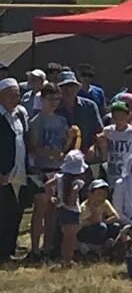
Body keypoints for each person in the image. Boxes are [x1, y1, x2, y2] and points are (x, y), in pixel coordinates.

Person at [27, 83, 77, 260]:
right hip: (40, 169)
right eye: (50, 99)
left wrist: (69, 140)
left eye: (57, 99)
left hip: (57, 169)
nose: (54, 102)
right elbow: (33, 147)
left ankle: (47, 247)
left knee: (52, 211)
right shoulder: (35, 121)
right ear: (42, 99)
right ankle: (34, 248)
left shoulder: (61, 120)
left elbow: (63, 148)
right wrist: (49, 153)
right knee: (40, 207)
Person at [0, 77, 28, 263]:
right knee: (4, 212)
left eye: (17, 94)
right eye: (11, 95)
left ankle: (9, 248)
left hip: (19, 171)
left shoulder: (19, 114)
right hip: (3, 173)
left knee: (15, 212)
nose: (15, 98)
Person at [54, 149, 88, 267]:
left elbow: (48, 185)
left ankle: (65, 259)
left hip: (61, 210)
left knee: (65, 237)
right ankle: (68, 260)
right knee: (71, 238)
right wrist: (71, 201)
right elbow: (74, 191)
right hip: (72, 211)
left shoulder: (59, 177)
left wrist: (52, 198)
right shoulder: (77, 181)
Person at [57, 70, 103, 154]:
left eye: (71, 86)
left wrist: (93, 147)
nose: (68, 90)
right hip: (60, 158)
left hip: (85, 156)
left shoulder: (90, 106)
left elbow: (99, 132)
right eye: (63, 86)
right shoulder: (54, 109)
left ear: (78, 88)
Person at [95, 99, 132, 187]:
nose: (118, 117)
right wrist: (102, 143)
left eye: (121, 114)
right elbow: (104, 156)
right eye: (115, 114)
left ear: (128, 115)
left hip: (128, 174)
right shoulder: (107, 131)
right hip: (112, 172)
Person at [77, 179, 121, 254]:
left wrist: (105, 221)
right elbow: (94, 221)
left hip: (99, 226)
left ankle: (107, 245)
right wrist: (93, 206)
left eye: (104, 194)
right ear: (90, 194)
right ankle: (95, 247)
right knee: (101, 228)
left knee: (115, 226)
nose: (102, 197)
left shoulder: (105, 202)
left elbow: (116, 217)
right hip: (84, 232)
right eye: (99, 194)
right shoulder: (84, 207)